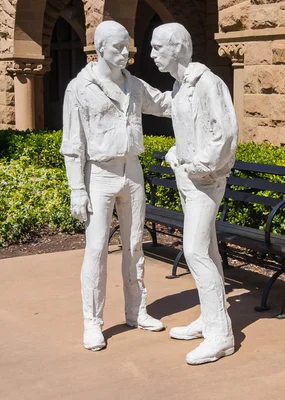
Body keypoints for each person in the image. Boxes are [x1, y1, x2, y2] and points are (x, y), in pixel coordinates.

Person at [60, 21, 171, 351]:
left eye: (128, 47)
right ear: (100, 49)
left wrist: (195, 91)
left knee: (135, 245)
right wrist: (77, 189)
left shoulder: (134, 85)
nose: (126, 53)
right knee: (96, 250)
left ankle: (136, 311)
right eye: (119, 48)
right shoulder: (80, 89)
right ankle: (92, 321)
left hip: (132, 172)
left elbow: (163, 103)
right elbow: (72, 143)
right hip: (100, 175)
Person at [150, 23, 238, 365]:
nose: (152, 54)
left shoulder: (207, 83)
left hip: (205, 180)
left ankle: (221, 336)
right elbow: (191, 129)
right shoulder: (179, 86)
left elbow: (225, 132)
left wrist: (198, 165)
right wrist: (177, 152)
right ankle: (209, 318)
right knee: (209, 251)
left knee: (194, 251)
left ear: (178, 48)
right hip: (189, 177)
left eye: (159, 48)